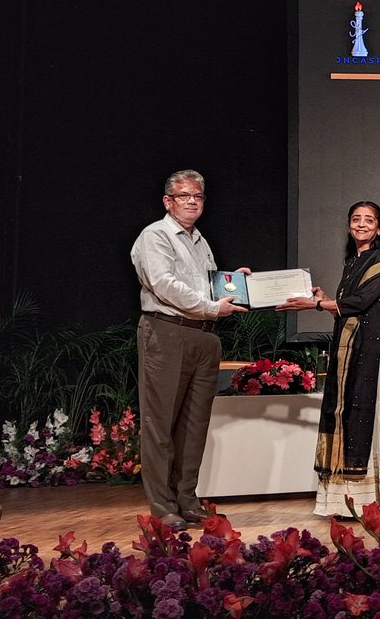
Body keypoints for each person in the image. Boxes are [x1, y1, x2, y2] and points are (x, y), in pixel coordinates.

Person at [279, 201, 380, 517]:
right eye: (356, 219)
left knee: (371, 416)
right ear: (349, 226)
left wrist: (317, 306)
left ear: (379, 228)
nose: (362, 224)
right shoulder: (352, 263)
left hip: (373, 353)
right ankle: (348, 501)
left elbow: (361, 302)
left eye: (369, 220)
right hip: (353, 353)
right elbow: (349, 306)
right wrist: (322, 299)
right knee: (349, 415)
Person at [131, 169, 248, 531]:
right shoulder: (156, 235)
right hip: (168, 332)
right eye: (185, 196)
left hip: (203, 336)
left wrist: (236, 285)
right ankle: (163, 505)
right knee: (161, 422)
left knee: (194, 425)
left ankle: (188, 499)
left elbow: (207, 286)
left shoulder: (199, 240)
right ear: (168, 201)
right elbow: (164, 285)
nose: (193, 201)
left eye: (198, 196)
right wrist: (213, 306)